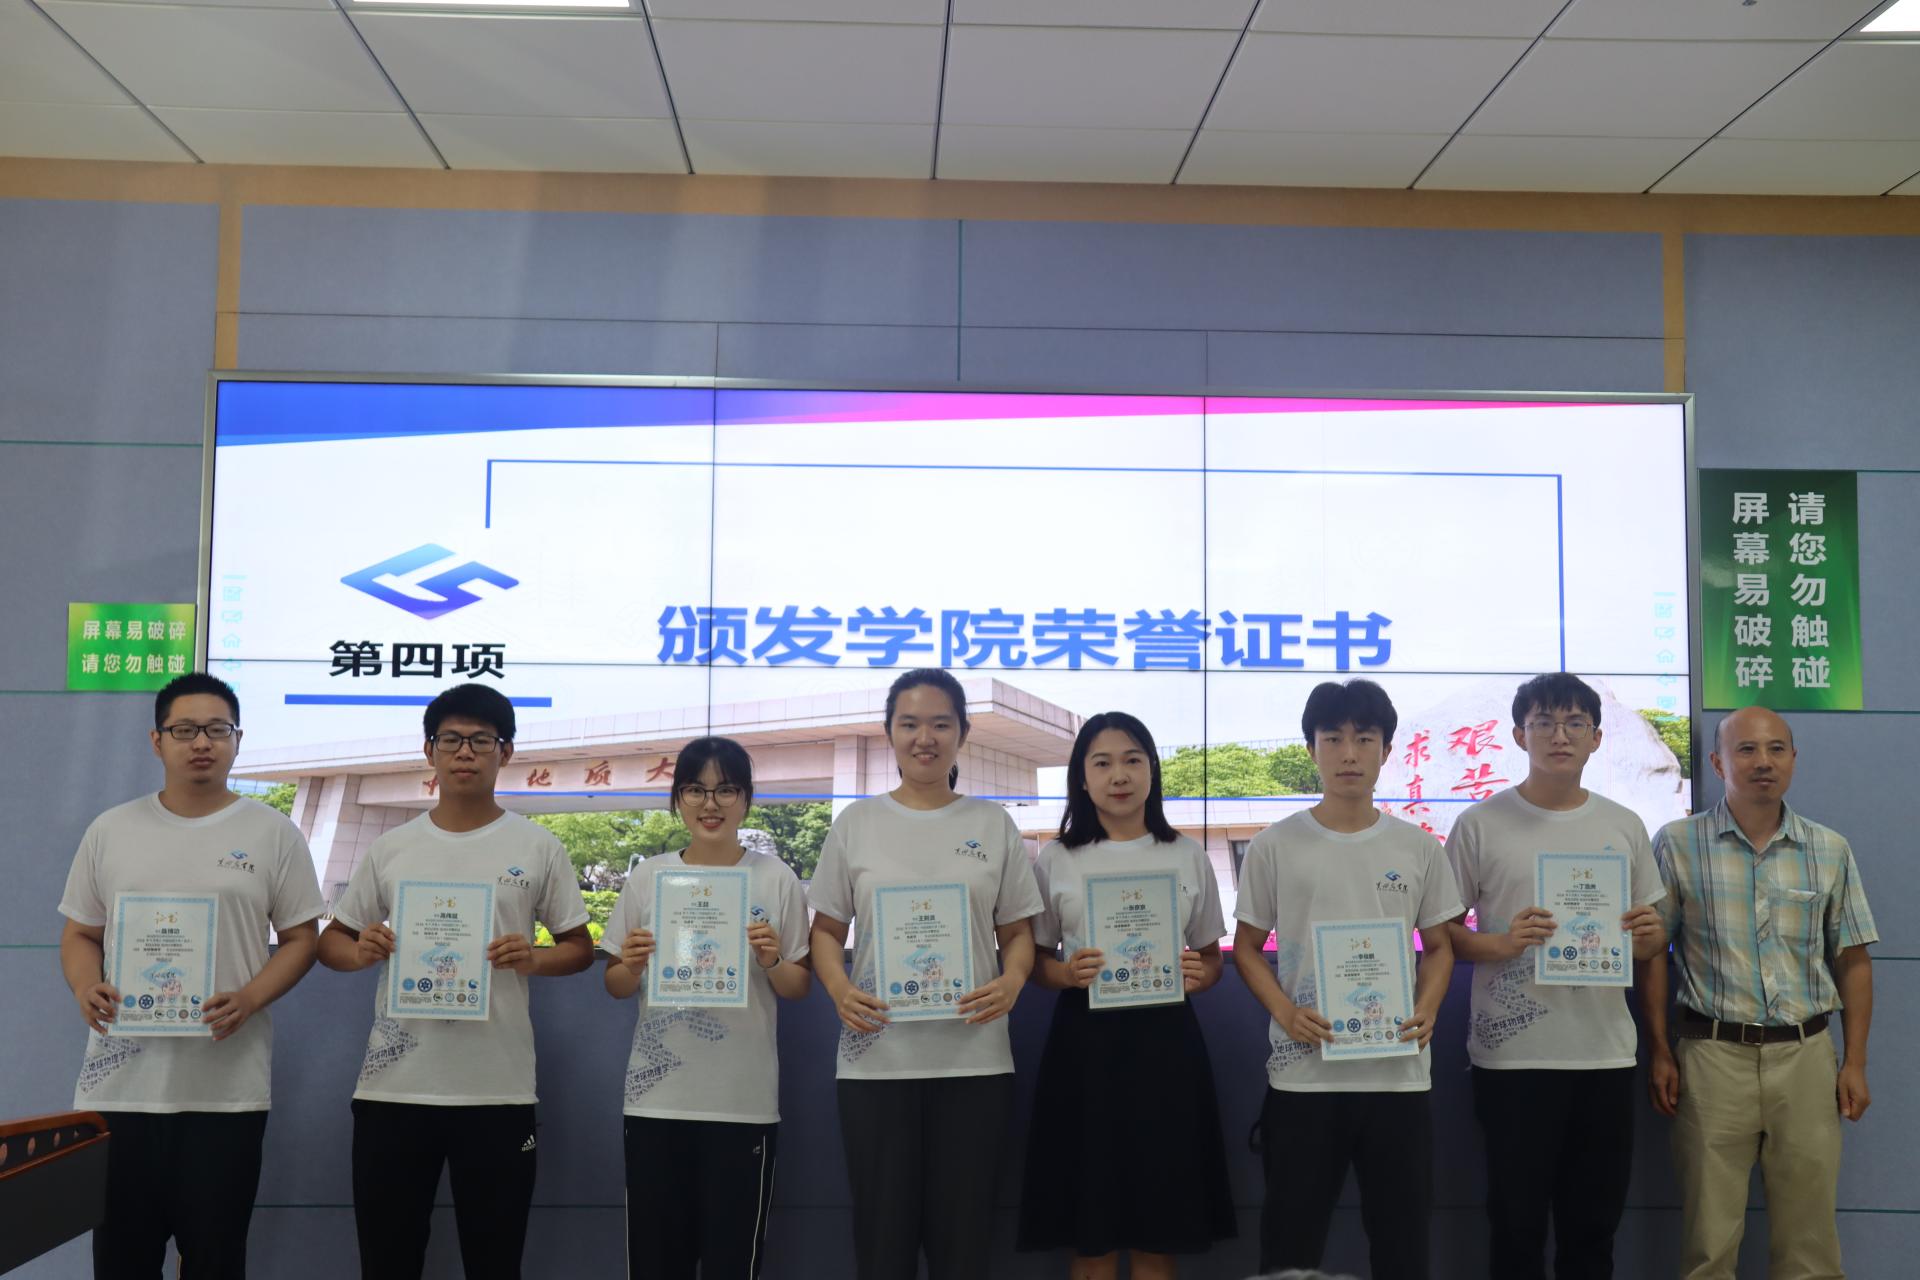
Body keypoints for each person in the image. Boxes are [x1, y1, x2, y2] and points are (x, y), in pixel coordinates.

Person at [316, 682, 593, 1280]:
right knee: (387, 1263)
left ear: (505, 752)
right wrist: (361, 951)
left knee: (495, 1263)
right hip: (394, 1089)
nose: (465, 752)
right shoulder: (392, 847)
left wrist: (533, 958)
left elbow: (579, 948)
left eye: (481, 740)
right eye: (451, 740)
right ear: (430, 751)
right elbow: (330, 942)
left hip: (497, 1089)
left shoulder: (537, 846)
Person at [58, 672, 325, 1278]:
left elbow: (301, 939)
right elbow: (80, 934)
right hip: (120, 1089)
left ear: (237, 740)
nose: (201, 742)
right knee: (121, 1262)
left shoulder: (273, 833)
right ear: (157, 741)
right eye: (184, 730)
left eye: (216, 729)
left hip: (225, 1093)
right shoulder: (111, 829)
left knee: (216, 1260)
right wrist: (84, 985)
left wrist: (250, 998)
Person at [808, 667, 1044, 1280]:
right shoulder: (856, 824)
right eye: (909, 724)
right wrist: (839, 988)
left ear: (962, 733)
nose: (925, 738)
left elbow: (1019, 933)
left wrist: (1012, 981)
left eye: (940, 724)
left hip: (975, 1061)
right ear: (889, 732)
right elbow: (825, 932)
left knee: (963, 1246)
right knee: (881, 1245)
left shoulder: (992, 824)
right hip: (875, 1063)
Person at [1232, 678, 1464, 1280]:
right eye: (1332, 738)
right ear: (1311, 748)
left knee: (1402, 1246)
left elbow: (1440, 946)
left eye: (1365, 738)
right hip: (1303, 1078)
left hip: (1398, 1076)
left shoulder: (1418, 847)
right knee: (1290, 1245)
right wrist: (1285, 1012)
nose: (1349, 753)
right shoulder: (1275, 845)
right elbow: (1248, 948)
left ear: (1386, 749)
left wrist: (1429, 1007)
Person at [1442, 673, 1667, 1280]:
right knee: (1515, 1225)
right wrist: (1503, 942)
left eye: (1574, 723)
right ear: (1520, 735)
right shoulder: (1480, 824)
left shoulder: (1624, 825)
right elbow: (1442, 937)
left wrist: (1652, 934)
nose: (1559, 735)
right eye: (1543, 722)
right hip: (1512, 1060)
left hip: (1604, 1056)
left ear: (1596, 737)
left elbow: (1652, 939)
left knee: (1592, 1228)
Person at [1641, 705, 1876, 1280]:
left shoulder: (1829, 849)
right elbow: (1651, 953)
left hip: (1806, 1059)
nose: (1762, 762)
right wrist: (1661, 1051)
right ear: (1719, 762)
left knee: (1810, 1246)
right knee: (1708, 1243)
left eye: (1775, 749)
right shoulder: (1677, 844)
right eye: (1745, 749)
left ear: (1793, 759)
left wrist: (1855, 1062)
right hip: (1711, 1059)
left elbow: (1852, 959)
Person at [1016, 711, 1235, 1278]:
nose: (1119, 775)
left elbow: (1212, 959)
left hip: (1166, 1044)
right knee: (1089, 1228)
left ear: (1152, 771)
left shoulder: (1185, 854)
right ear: (1082, 777)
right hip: (1084, 1047)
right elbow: (1034, 962)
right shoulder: (1057, 858)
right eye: (1103, 762)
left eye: (1133, 760)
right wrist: (1067, 974)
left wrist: (1200, 974)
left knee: (1158, 1225)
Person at [603, 736, 812, 1279]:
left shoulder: (776, 878)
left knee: (732, 1264)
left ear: (747, 799)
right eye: (696, 790)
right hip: (656, 1102)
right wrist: (632, 964)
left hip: (742, 1103)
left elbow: (798, 986)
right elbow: (616, 985)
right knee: (655, 1264)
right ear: (678, 798)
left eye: (726, 790)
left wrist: (770, 960)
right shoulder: (649, 877)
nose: (710, 804)